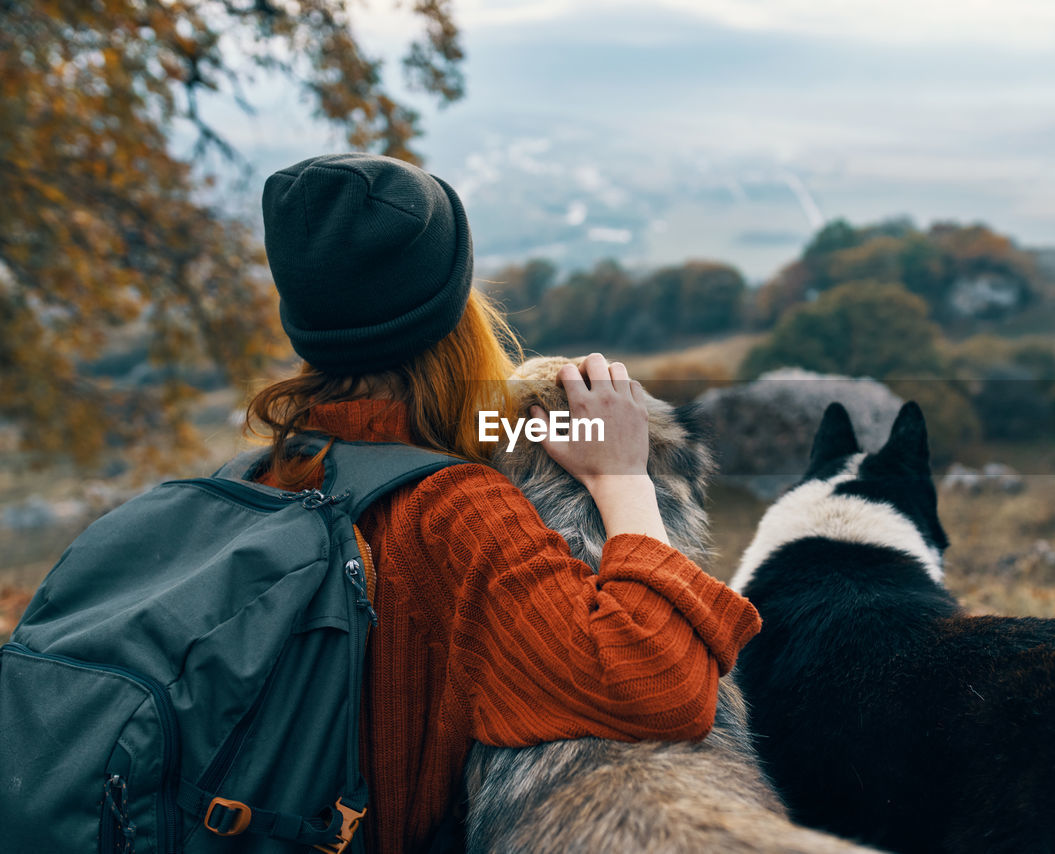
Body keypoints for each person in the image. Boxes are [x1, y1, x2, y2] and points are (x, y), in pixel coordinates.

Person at [247, 153, 761, 854]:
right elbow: (657, 686)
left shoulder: (268, 475)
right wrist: (623, 479)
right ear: (453, 312)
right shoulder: (455, 510)